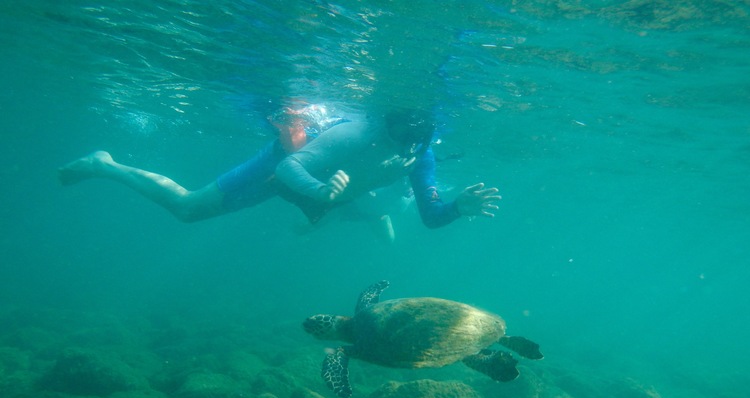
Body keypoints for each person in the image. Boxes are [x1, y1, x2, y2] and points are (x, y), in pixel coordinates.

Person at [58, 106, 501, 231]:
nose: (386, 141)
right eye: (388, 131)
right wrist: (320, 193)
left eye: (400, 139)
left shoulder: (421, 158)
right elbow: (291, 169)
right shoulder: (356, 132)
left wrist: (458, 206)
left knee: (190, 212)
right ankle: (104, 165)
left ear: (418, 143)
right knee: (189, 208)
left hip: (314, 192)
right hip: (282, 169)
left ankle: (103, 165)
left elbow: (431, 218)